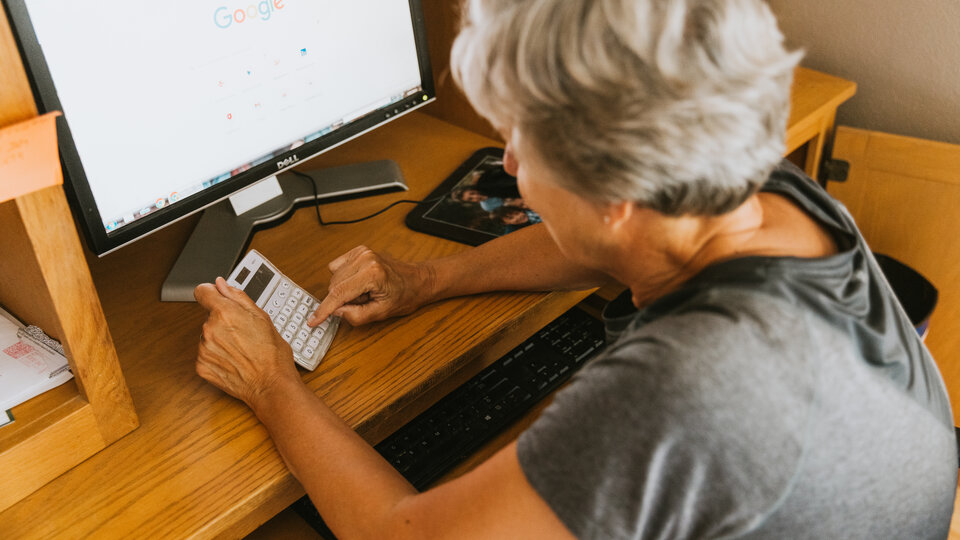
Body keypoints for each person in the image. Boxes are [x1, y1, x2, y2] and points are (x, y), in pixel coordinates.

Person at [194, 0, 958, 537]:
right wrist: (429, 280)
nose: (510, 161)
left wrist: (271, 382)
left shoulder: (692, 385)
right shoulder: (761, 191)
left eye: (522, 140)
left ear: (617, 192)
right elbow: (597, 244)